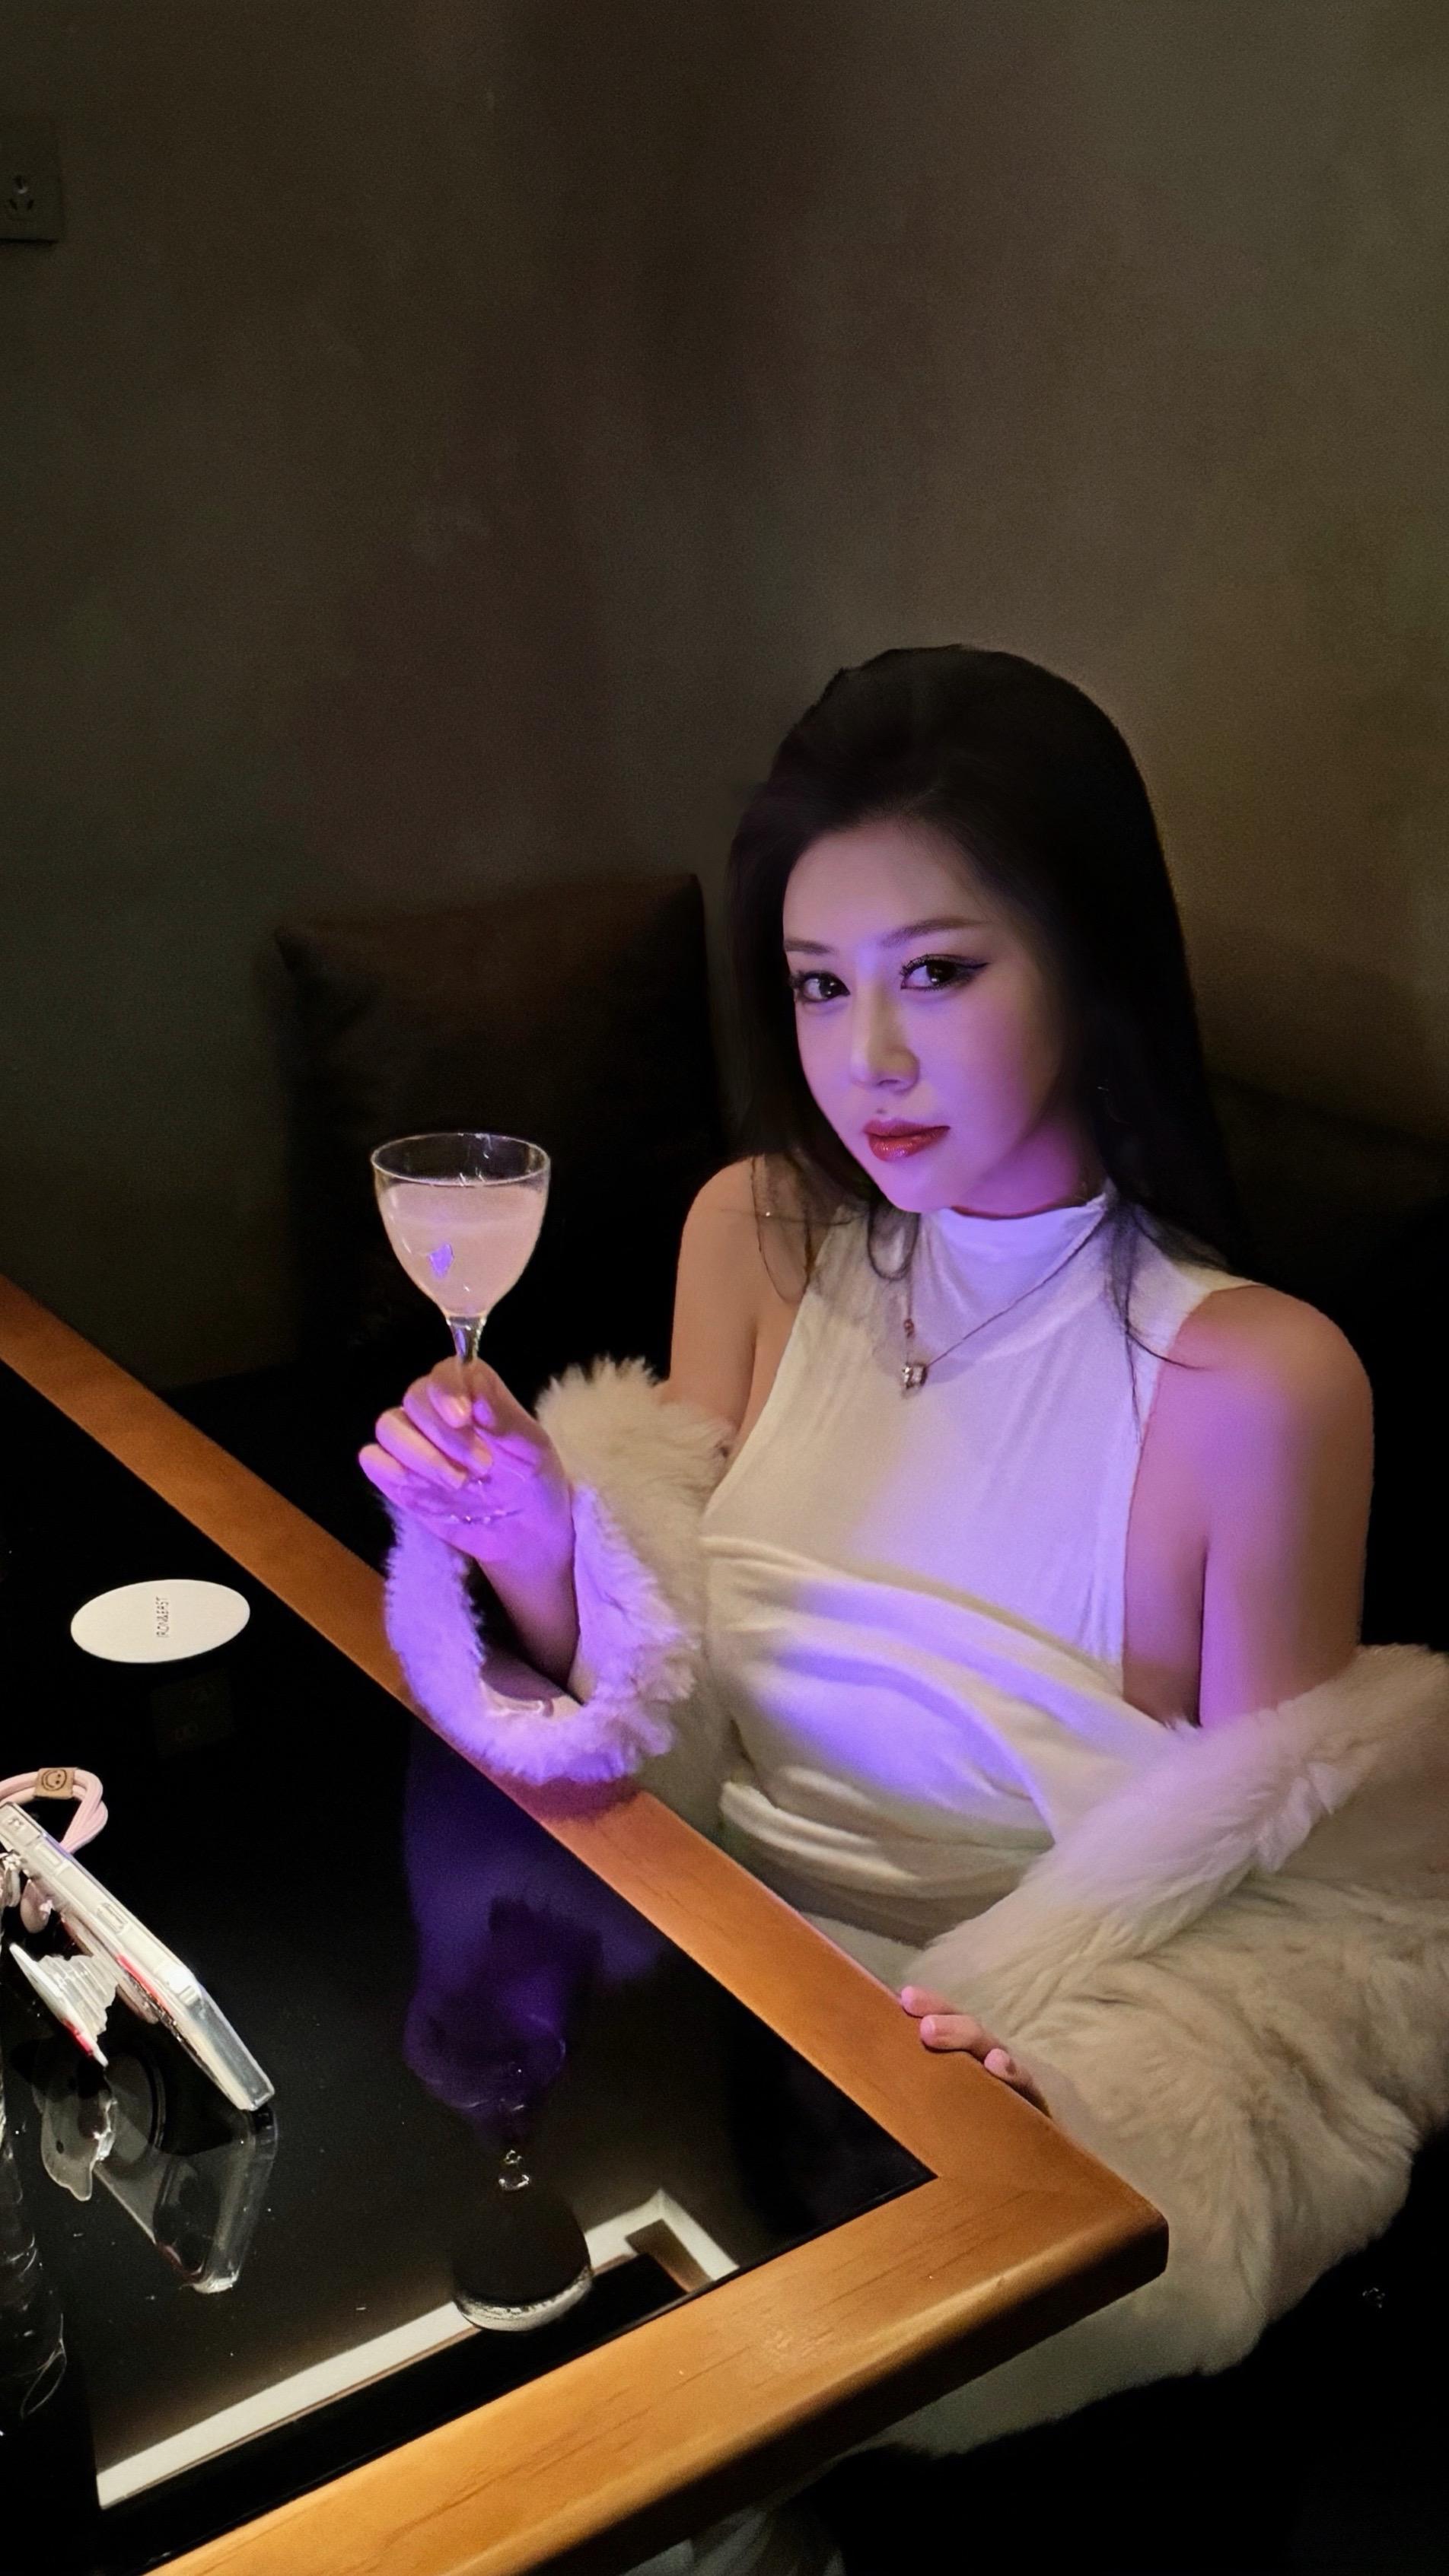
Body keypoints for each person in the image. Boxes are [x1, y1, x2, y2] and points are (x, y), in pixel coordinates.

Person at [361, 649, 1449, 2559]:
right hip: (698, 2032)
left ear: (1088, 965)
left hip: (977, 2099)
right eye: (816, 983)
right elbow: (670, 1713)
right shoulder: (755, 1235)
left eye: (937, 972)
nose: (864, 1058)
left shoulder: (1255, 1385)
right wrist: (535, 1540)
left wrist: (1065, 2097)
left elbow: (1297, 1923)